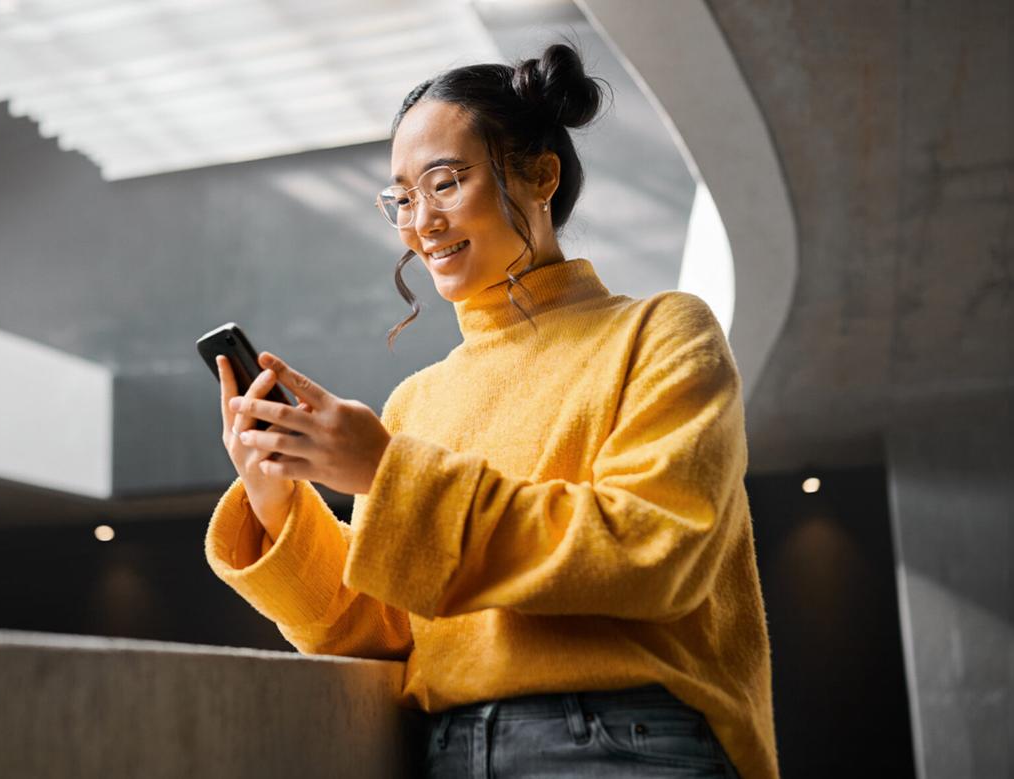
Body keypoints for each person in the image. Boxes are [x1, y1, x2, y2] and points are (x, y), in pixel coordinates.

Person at [203, 45, 777, 779]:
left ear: (541, 174)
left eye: (444, 182)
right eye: (402, 198)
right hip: (448, 749)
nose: (421, 222)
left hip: (627, 741)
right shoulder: (416, 399)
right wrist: (276, 497)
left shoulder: (662, 330)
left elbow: (652, 550)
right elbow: (381, 629)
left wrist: (383, 469)